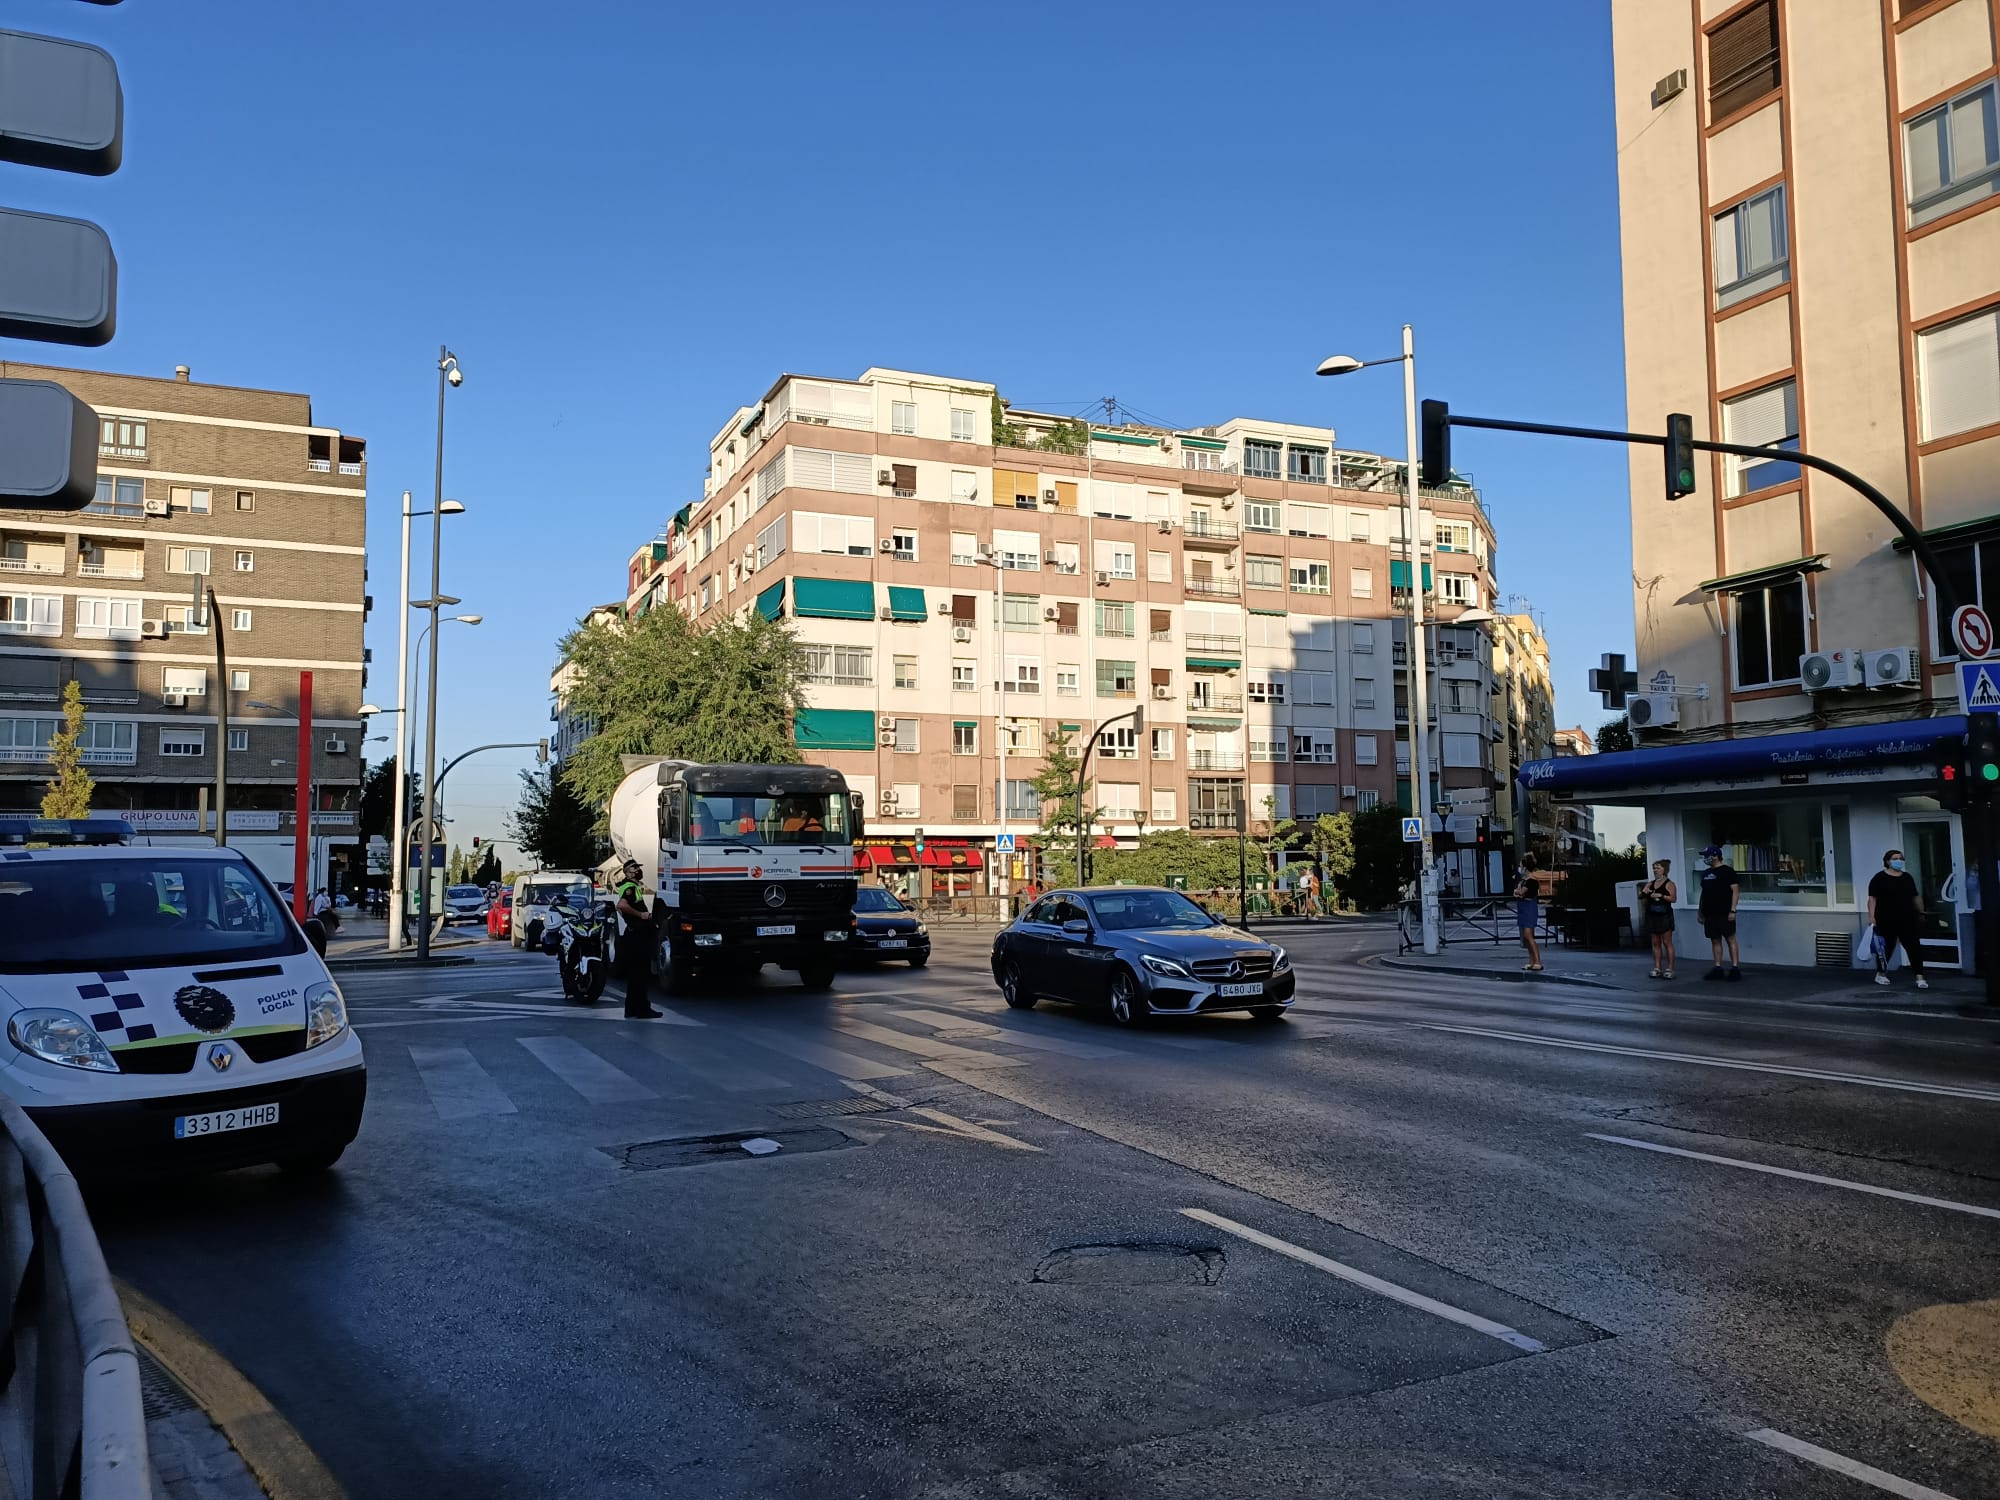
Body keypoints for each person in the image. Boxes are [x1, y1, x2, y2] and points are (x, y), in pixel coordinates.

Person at [1867, 849, 1928, 991]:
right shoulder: (1879, 878)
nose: (1898, 861)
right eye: (1895, 858)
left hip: (1907, 918)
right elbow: (1872, 898)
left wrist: (1921, 911)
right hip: (1886, 919)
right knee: (1886, 948)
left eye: (1901, 858)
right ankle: (1881, 974)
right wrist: (1872, 917)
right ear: (1887, 861)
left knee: (1914, 947)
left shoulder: (1907, 877)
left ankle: (1920, 977)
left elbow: (1915, 896)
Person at [614, 859, 662, 1018]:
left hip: (635, 934)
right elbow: (621, 905)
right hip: (637, 937)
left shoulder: (631, 886)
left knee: (635, 975)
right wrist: (640, 915)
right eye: (635, 869)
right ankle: (641, 1009)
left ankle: (632, 1009)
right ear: (627, 872)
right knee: (640, 974)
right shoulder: (629, 887)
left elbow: (619, 908)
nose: (638, 871)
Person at [1697, 844, 1741, 981]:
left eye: (1707, 855)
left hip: (1724, 911)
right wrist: (1700, 912)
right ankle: (1718, 967)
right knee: (1714, 940)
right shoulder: (1705, 874)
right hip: (1710, 913)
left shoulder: (1728, 871)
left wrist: (1733, 910)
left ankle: (1735, 968)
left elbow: (1735, 891)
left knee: (1730, 938)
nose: (1705, 858)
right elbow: (1703, 894)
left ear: (1715, 855)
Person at [1639, 859, 1677, 979]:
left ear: (1664, 869)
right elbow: (1641, 896)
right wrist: (1644, 892)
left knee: (1667, 942)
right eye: (1654, 868)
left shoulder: (1669, 883)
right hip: (1652, 915)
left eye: (1658, 868)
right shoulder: (1650, 883)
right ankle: (1657, 967)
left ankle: (1670, 969)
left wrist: (1661, 895)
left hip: (1664, 915)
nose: (1655, 870)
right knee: (1655, 943)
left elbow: (1673, 898)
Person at [1513, 856, 1543, 972]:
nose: (1520, 867)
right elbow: (1518, 892)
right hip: (1523, 908)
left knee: (1528, 936)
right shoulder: (1525, 880)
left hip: (1529, 908)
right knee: (1526, 937)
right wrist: (1518, 893)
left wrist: (1518, 892)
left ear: (1525, 867)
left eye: (1521, 865)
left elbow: (1520, 892)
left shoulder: (1531, 881)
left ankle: (1538, 961)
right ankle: (1532, 961)